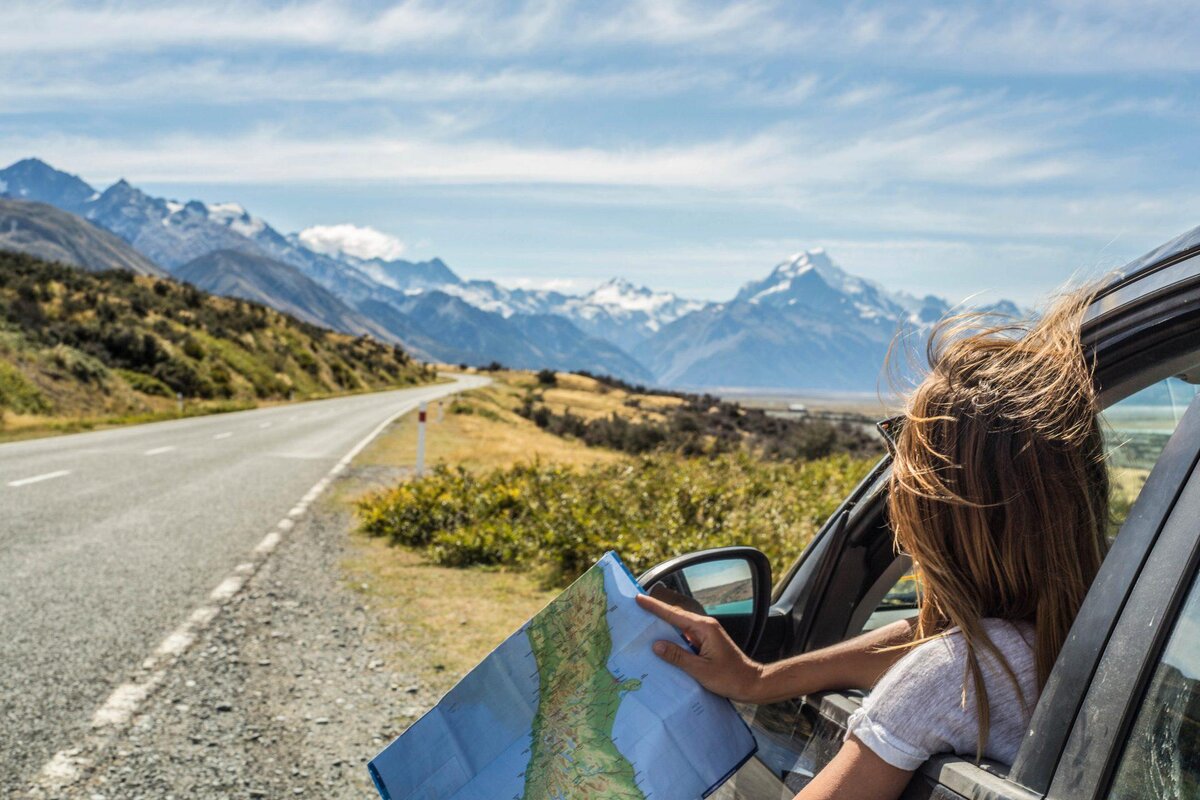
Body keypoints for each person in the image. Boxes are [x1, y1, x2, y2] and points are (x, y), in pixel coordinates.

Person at [637, 287, 1110, 800]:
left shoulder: (952, 676)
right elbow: (925, 639)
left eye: (901, 460)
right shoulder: (1095, 637)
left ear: (934, 511)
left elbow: (941, 661)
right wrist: (757, 680)